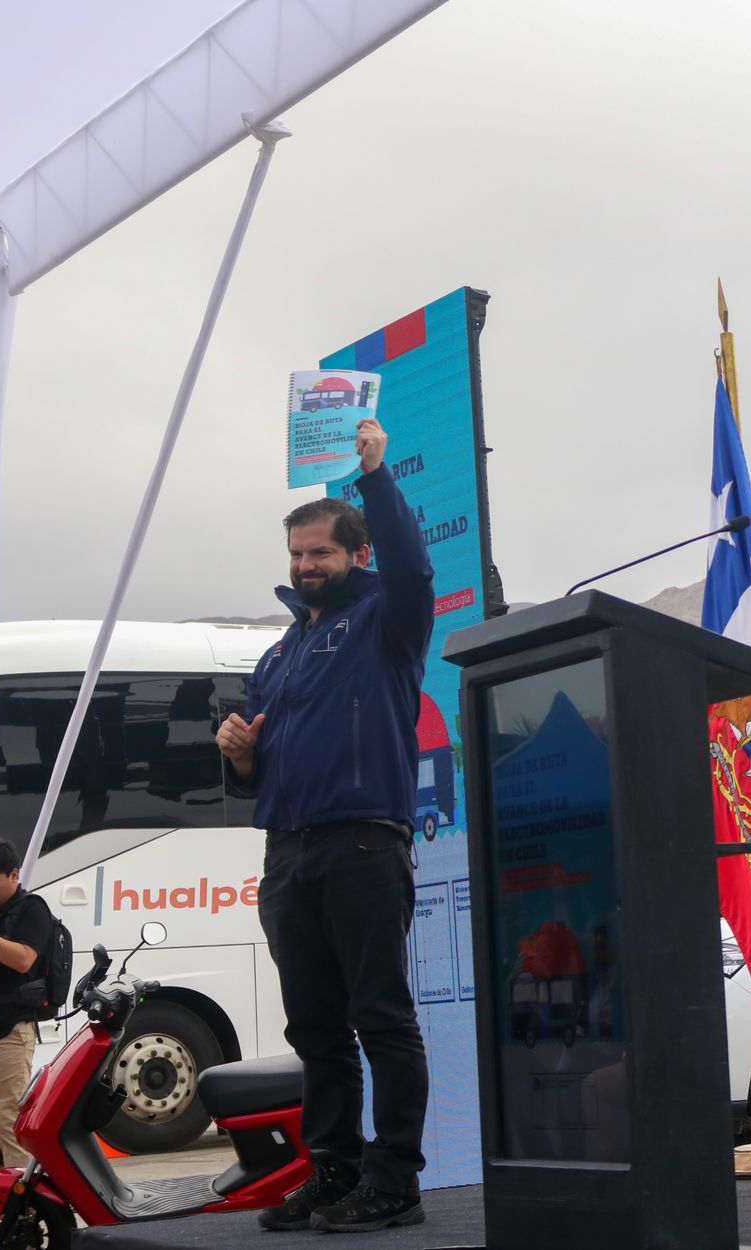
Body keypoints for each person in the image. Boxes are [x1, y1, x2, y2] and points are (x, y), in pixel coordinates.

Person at [216, 417, 432, 1234]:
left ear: (357, 556)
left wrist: (375, 474)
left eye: (323, 553)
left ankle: (396, 1181)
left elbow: (415, 567)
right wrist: (237, 754)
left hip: (365, 842)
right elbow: (261, 763)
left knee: (379, 1014)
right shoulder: (280, 652)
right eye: (298, 554)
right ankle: (334, 1169)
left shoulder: (387, 618)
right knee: (314, 1025)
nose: (308, 566)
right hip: (289, 853)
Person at [0, 838, 54, 1170]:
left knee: (7, 1121)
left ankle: (24, 1209)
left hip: (9, 1030)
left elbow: (22, 960)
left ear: (14, 874)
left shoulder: (32, 909)